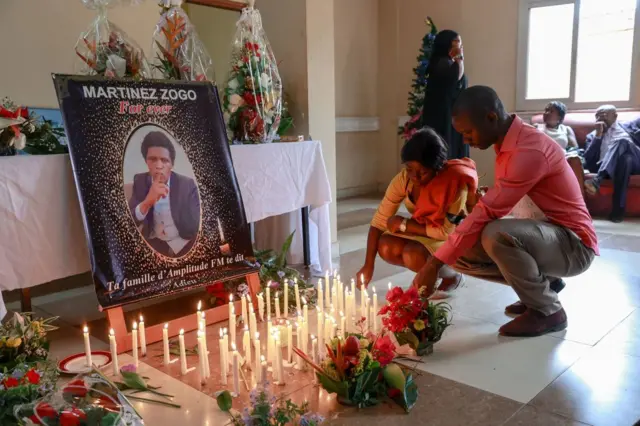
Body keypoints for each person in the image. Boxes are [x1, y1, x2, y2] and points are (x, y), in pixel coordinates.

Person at [413, 86, 598, 337]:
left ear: (491, 118)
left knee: (494, 234)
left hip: (574, 246)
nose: (465, 139)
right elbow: (503, 201)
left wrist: (433, 265)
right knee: (456, 250)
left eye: (468, 132)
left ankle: (548, 310)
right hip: (549, 237)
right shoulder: (508, 143)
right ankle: (542, 288)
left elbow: (490, 212)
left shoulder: (528, 150)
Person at [356, 127, 479, 293]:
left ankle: (451, 274)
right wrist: (368, 265)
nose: (415, 177)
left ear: (438, 168)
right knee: (386, 245)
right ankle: (429, 271)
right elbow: (378, 223)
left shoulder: (454, 185)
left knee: (413, 255)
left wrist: (404, 224)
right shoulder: (404, 180)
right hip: (426, 231)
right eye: (409, 169)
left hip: (452, 237)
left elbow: (446, 232)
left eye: (423, 172)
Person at [129, 131, 200, 257]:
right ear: (146, 161)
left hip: (181, 242)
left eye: (164, 160)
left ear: (172, 164)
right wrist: (147, 202)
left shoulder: (187, 185)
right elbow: (129, 220)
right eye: (152, 159)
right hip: (154, 242)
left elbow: (193, 228)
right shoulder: (140, 181)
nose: (159, 166)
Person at [583, 105, 640, 222]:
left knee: (622, 141)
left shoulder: (628, 126)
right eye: (597, 115)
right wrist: (598, 136)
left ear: (615, 116)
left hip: (637, 162)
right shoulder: (592, 136)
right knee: (625, 160)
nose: (601, 117)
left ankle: (597, 180)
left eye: (604, 114)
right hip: (611, 167)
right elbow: (587, 161)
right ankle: (618, 211)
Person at [422, 30, 468, 160]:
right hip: (442, 116)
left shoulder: (448, 62)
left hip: (449, 113)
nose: (460, 46)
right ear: (447, 44)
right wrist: (459, 58)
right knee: (446, 150)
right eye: (457, 42)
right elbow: (455, 78)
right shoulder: (441, 62)